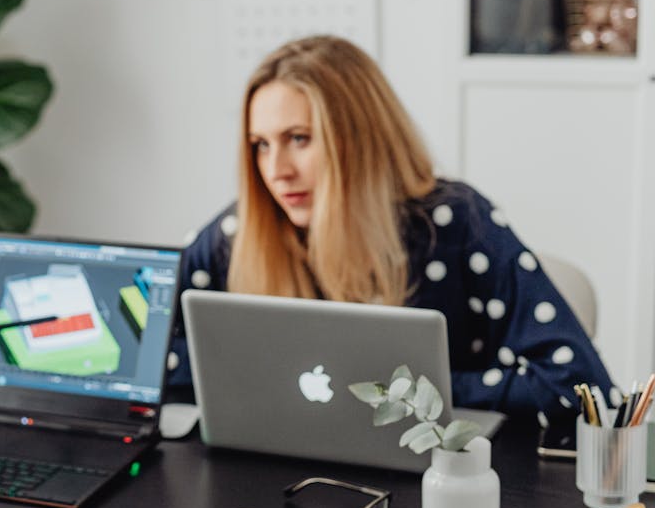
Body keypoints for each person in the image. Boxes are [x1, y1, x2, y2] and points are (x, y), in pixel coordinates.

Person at [166, 35, 613, 438]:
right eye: (261, 144)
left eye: (299, 138)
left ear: (362, 141)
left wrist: (414, 395)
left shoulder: (456, 222)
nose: (276, 171)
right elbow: (146, 360)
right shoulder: (243, 230)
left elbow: (580, 390)